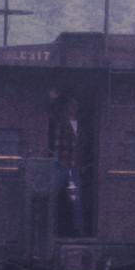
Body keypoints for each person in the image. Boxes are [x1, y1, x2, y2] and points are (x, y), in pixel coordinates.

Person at [47, 90, 84, 234]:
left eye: (75, 106)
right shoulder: (60, 121)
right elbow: (49, 114)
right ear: (67, 107)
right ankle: (50, 228)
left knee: (76, 199)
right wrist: (52, 99)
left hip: (73, 167)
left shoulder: (80, 125)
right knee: (51, 195)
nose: (73, 108)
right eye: (71, 105)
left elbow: (80, 147)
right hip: (59, 165)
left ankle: (78, 229)